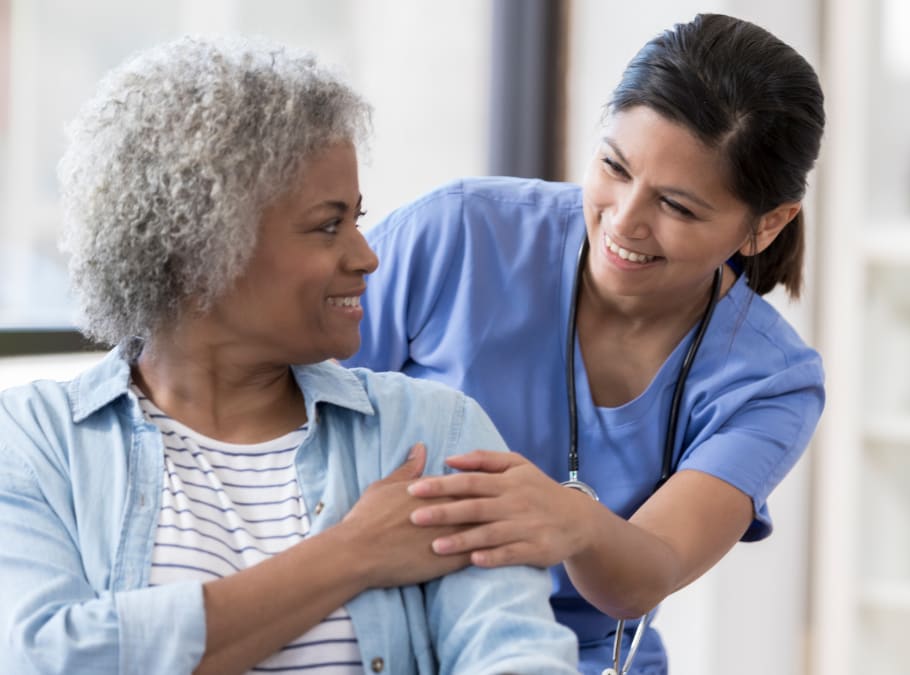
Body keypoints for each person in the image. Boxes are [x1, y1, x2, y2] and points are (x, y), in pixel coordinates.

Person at [0, 36, 577, 674]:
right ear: (199, 252)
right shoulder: (34, 442)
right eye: (328, 225)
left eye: (358, 218)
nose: (366, 256)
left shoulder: (433, 432)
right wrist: (352, 552)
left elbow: (520, 659)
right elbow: (49, 657)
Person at [344, 13, 825, 673]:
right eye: (613, 167)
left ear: (766, 225)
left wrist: (574, 520)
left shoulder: (773, 380)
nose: (625, 220)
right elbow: (288, 411)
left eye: (678, 207)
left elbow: (644, 575)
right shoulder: (459, 233)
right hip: (379, 629)